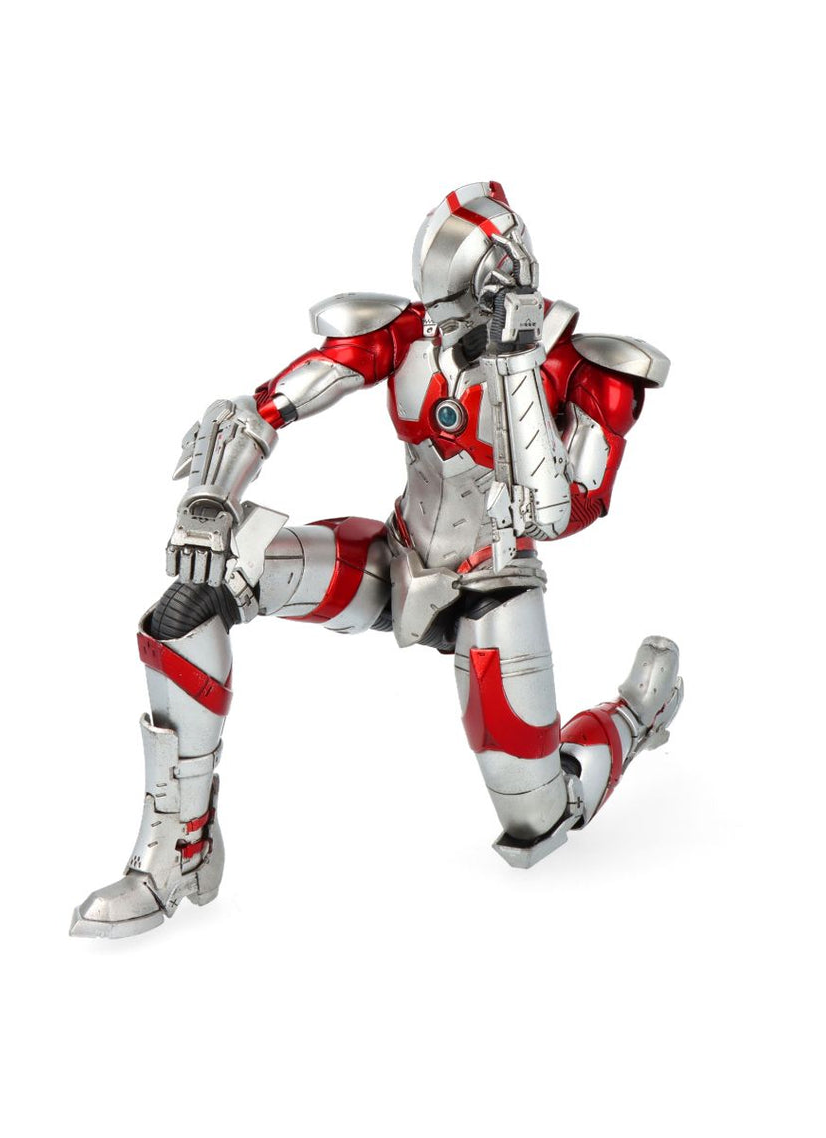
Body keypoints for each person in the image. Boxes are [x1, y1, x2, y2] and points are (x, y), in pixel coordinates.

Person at [71, 182, 683, 939]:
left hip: (494, 584)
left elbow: (558, 511)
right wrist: (213, 499)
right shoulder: (409, 332)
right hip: (397, 561)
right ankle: (176, 853)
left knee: (539, 818)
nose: (443, 332)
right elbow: (260, 408)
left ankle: (636, 714)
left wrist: (518, 362)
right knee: (193, 602)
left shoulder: (586, 369)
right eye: (439, 312)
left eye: (459, 313)